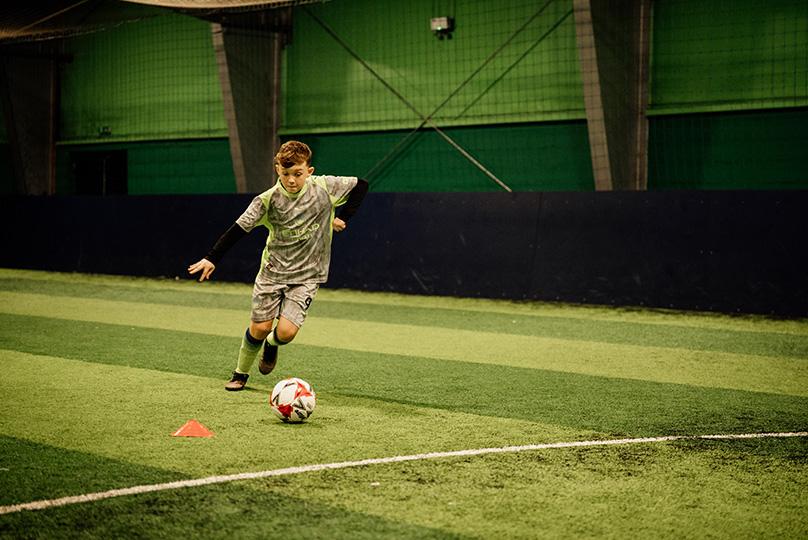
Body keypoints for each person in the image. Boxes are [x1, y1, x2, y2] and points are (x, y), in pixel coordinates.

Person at [188, 140, 368, 391]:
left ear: (309, 171)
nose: (292, 180)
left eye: (298, 173)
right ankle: (240, 373)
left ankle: (271, 345)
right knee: (260, 328)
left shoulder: (325, 187)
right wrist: (212, 257)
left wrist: (342, 217)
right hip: (273, 272)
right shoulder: (267, 200)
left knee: (285, 333)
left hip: (307, 275)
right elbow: (239, 229)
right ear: (277, 170)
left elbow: (361, 185)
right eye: (285, 174)